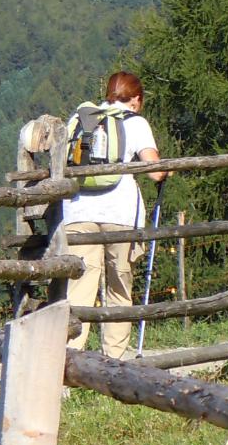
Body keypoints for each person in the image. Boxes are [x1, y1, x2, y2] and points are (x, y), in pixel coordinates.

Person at [62, 70, 167, 360]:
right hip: (120, 214)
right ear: (135, 98)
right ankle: (115, 362)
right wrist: (167, 168)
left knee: (80, 289)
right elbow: (155, 171)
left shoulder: (80, 119)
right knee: (119, 289)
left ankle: (70, 361)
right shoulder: (135, 122)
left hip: (77, 211)